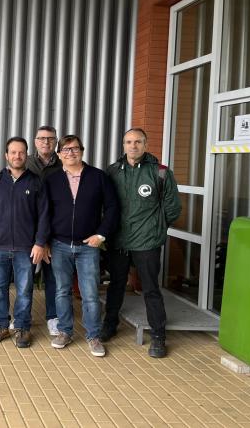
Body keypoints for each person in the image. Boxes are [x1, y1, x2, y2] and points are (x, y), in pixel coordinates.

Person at [101, 128, 181, 358]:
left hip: (147, 241)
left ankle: (158, 336)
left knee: (150, 288)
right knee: (116, 285)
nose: (133, 146)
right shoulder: (112, 171)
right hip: (119, 241)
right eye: (128, 142)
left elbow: (173, 207)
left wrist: (156, 229)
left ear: (146, 145)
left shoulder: (160, 172)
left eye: (138, 142)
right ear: (123, 145)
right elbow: (105, 204)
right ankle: (110, 325)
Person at [44, 135, 118, 357]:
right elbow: (44, 213)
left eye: (75, 148)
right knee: (62, 291)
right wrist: (45, 241)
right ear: (59, 155)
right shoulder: (52, 180)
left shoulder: (98, 177)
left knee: (90, 294)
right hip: (59, 244)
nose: (71, 153)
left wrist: (101, 234)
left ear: (82, 151)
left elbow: (113, 208)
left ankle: (93, 336)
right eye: (65, 150)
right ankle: (65, 332)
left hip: (88, 246)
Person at [0, 136, 49, 348]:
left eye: (21, 152)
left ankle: (22, 327)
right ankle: (1, 326)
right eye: (13, 152)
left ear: (26, 155)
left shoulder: (36, 182)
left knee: (24, 290)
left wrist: (40, 242)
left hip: (26, 248)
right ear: (6, 155)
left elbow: (44, 215)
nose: (17, 156)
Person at [26, 124, 61, 337]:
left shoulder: (63, 163)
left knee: (53, 278)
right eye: (41, 138)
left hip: (55, 231)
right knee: (25, 277)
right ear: (35, 141)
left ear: (55, 141)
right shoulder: (25, 163)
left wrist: (46, 239)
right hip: (27, 231)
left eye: (50, 138)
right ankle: (23, 316)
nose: (46, 142)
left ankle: (53, 317)